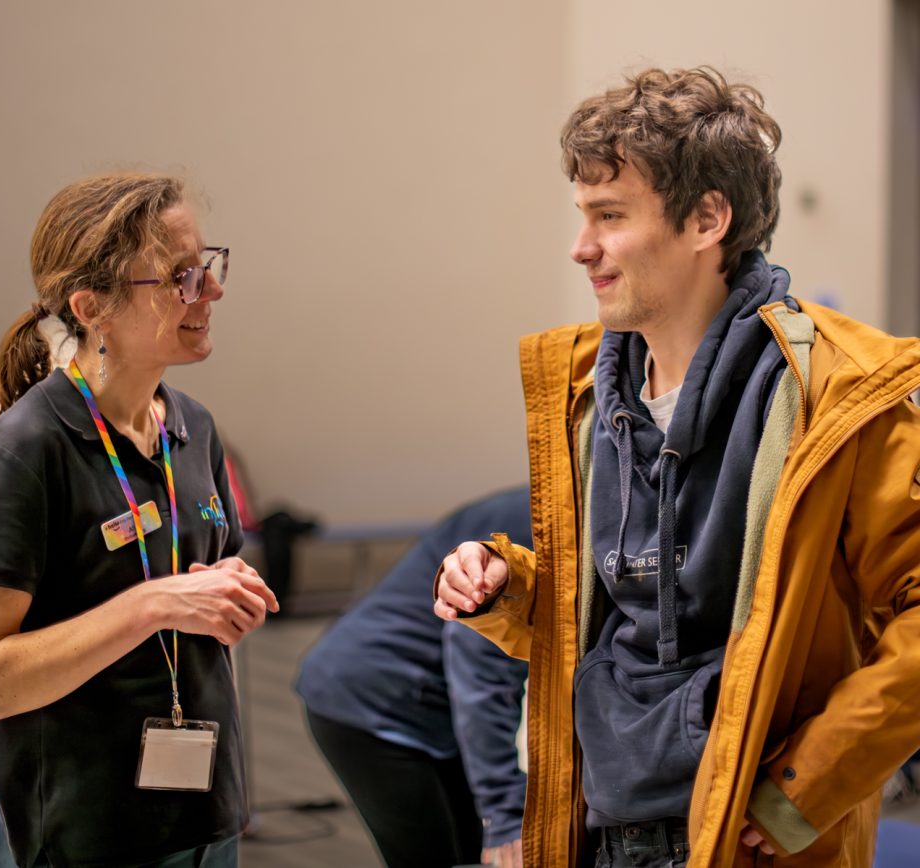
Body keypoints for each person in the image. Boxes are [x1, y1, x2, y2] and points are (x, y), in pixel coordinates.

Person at [434, 67, 920, 867]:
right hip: (600, 827)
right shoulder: (590, 393)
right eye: (583, 215)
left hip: (748, 835)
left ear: (705, 219)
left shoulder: (836, 394)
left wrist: (807, 787)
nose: (580, 245)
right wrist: (505, 587)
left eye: (610, 216)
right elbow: (613, 619)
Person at [0, 173, 279, 867]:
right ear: (91, 306)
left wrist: (225, 598)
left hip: (204, 817)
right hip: (83, 832)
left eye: (208, 266)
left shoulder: (193, 427)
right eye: (181, 278)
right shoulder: (28, 447)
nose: (211, 291)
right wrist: (152, 605)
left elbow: (196, 599)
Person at [297, 487, 530, 867]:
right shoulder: (544, 513)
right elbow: (481, 675)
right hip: (372, 695)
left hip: (418, 696)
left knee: (469, 852)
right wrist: (504, 811)